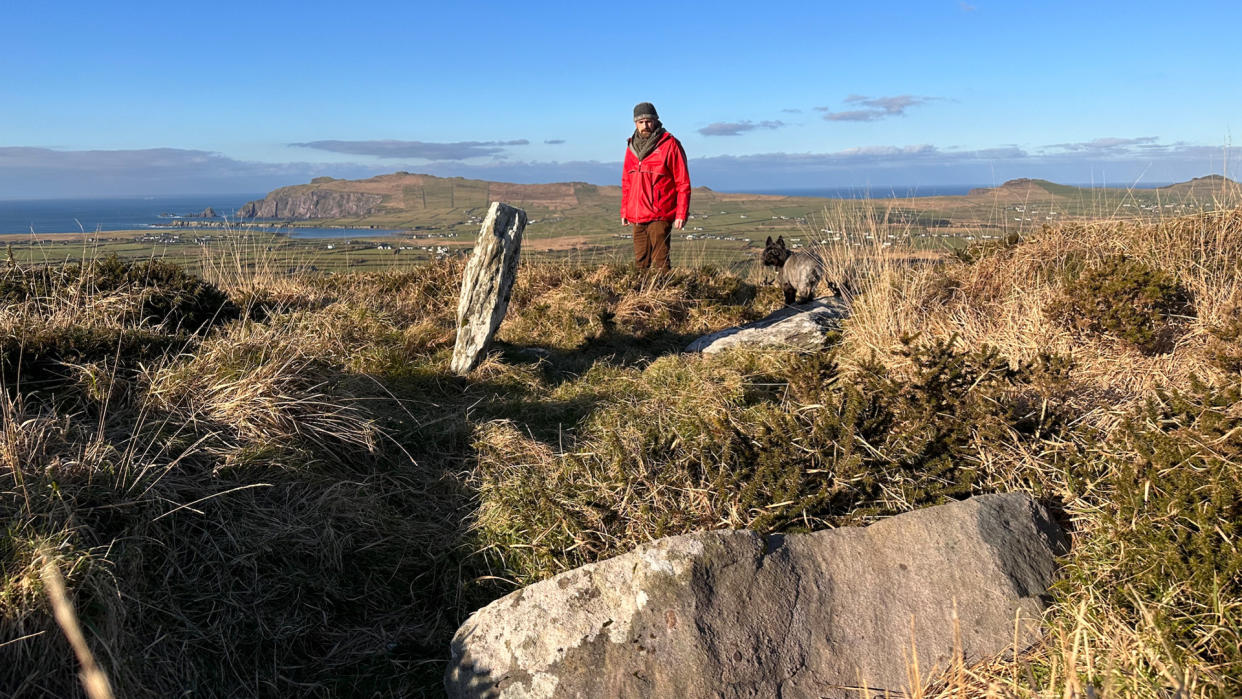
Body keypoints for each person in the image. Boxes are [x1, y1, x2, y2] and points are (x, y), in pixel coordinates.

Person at [621, 102, 690, 271]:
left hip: (660, 213)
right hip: (637, 215)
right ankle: (642, 296)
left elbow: (682, 182)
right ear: (635, 124)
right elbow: (627, 182)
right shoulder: (631, 148)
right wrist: (625, 210)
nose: (645, 125)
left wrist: (681, 213)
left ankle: (664, 294)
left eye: (648, 121)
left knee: (661, 262)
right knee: (640, 263)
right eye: (641, 122)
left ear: (656, 121)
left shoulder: (670, 144)